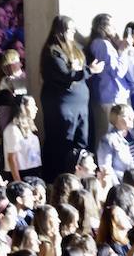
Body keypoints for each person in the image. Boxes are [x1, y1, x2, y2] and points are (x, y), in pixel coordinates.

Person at [40, 14, 102, 176]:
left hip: (81, 105)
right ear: (60, 31)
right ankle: (60, 178)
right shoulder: (52, 52)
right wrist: (88, 71)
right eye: (69, 30)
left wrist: (84, 69)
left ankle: (81, 175)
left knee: (83, 141)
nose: (73, 33)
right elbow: (67, 74)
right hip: (63, 105)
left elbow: (78, 70)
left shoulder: (76, 48)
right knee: (63, 142)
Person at [87, 13, 132, 148]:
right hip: (110, 96)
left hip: (110, 95)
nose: (115, 28)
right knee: (108, 136)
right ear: (103, 27)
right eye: (112, 25)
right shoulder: (102, 44)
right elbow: (117, 71)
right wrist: (123, 51)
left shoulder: (103, 43)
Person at [2, 95, 42, 183]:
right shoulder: (13, 129)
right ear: (23, 107)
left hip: (34, 171)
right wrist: (18, 182)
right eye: (32, 105)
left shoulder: (29, 128)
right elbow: (11, 158)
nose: (36, 109)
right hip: (21, 174)